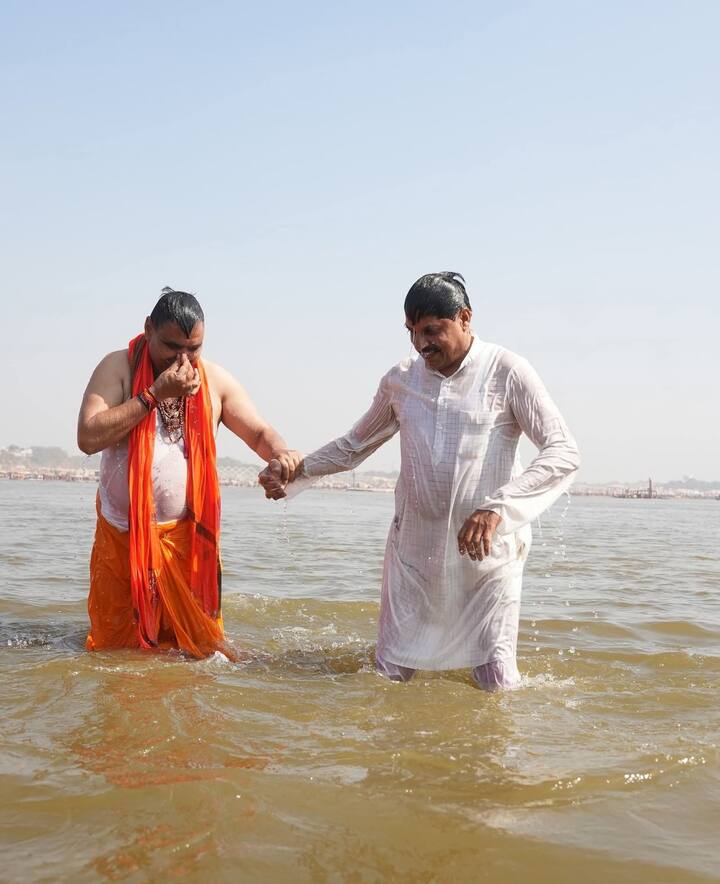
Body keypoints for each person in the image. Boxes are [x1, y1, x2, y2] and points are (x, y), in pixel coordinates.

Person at [260, 272, 580, 690]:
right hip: (415, 552)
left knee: (496, 680)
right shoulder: (401, 380)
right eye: (411, 331)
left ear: (465, 318)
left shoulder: (507, 371)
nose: (420, 343)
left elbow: (563, 451)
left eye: (431, 330)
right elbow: (354, 446)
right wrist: (295, 471)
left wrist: (497, 509)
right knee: (389, 676)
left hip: (486, 556)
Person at [78, 287, 301, 659]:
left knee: (200, 653)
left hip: (189, 546)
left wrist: (281, 455)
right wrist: (153, 394)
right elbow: (88, 436)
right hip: (122, 541)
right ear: (148, 329)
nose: (182, 359)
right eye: (171, 347)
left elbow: (259, 433)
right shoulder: (119, 368)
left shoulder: (214, 379)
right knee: (116, 654)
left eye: (193, 349)